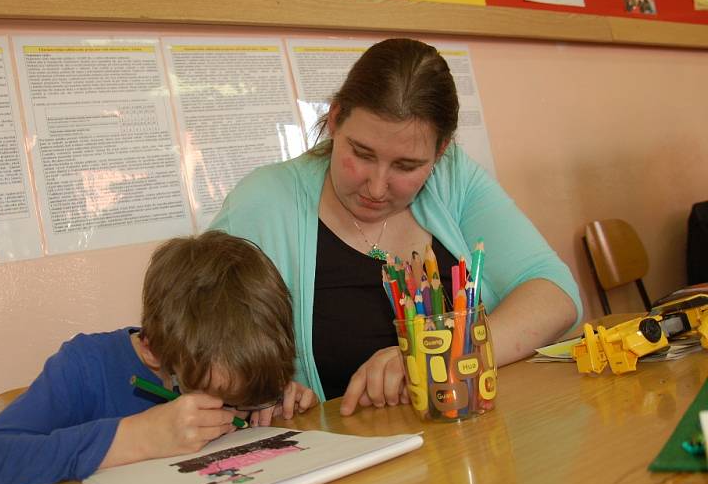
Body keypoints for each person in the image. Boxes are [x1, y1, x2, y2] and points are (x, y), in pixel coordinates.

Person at [209, 38, 581, 416]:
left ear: (440, 152)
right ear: (335, 119)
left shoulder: (453, 177)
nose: (376, 187)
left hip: (467, 436)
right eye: (362, 154)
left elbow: (556, 296)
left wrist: (443, 353)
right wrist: (255, 389)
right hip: (342, 453)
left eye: (406, 166)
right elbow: (196, 340)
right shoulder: (263, 202)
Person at [0, 231, 317, 484]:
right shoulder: (86, 367)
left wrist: (273, 399)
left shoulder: (235, 366)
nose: (230, 412)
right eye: (217, 399)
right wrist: (134, 437)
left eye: (241, 399)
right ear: (154, 350)